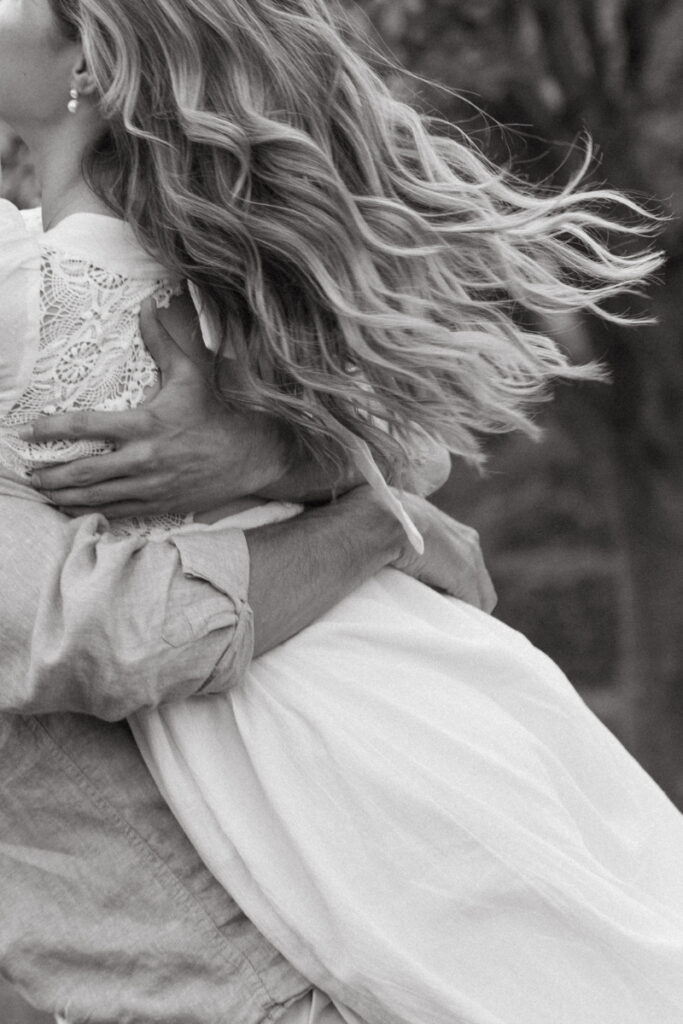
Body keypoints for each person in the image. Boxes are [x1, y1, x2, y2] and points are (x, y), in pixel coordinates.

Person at [2, 2, 683, 1023]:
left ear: (90, 68)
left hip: (298, 720)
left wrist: (276, 457)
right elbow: (86, 627)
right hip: (285, 718)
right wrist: (367, 513)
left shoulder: (64, 263)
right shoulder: (83, 255)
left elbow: (406, 437)